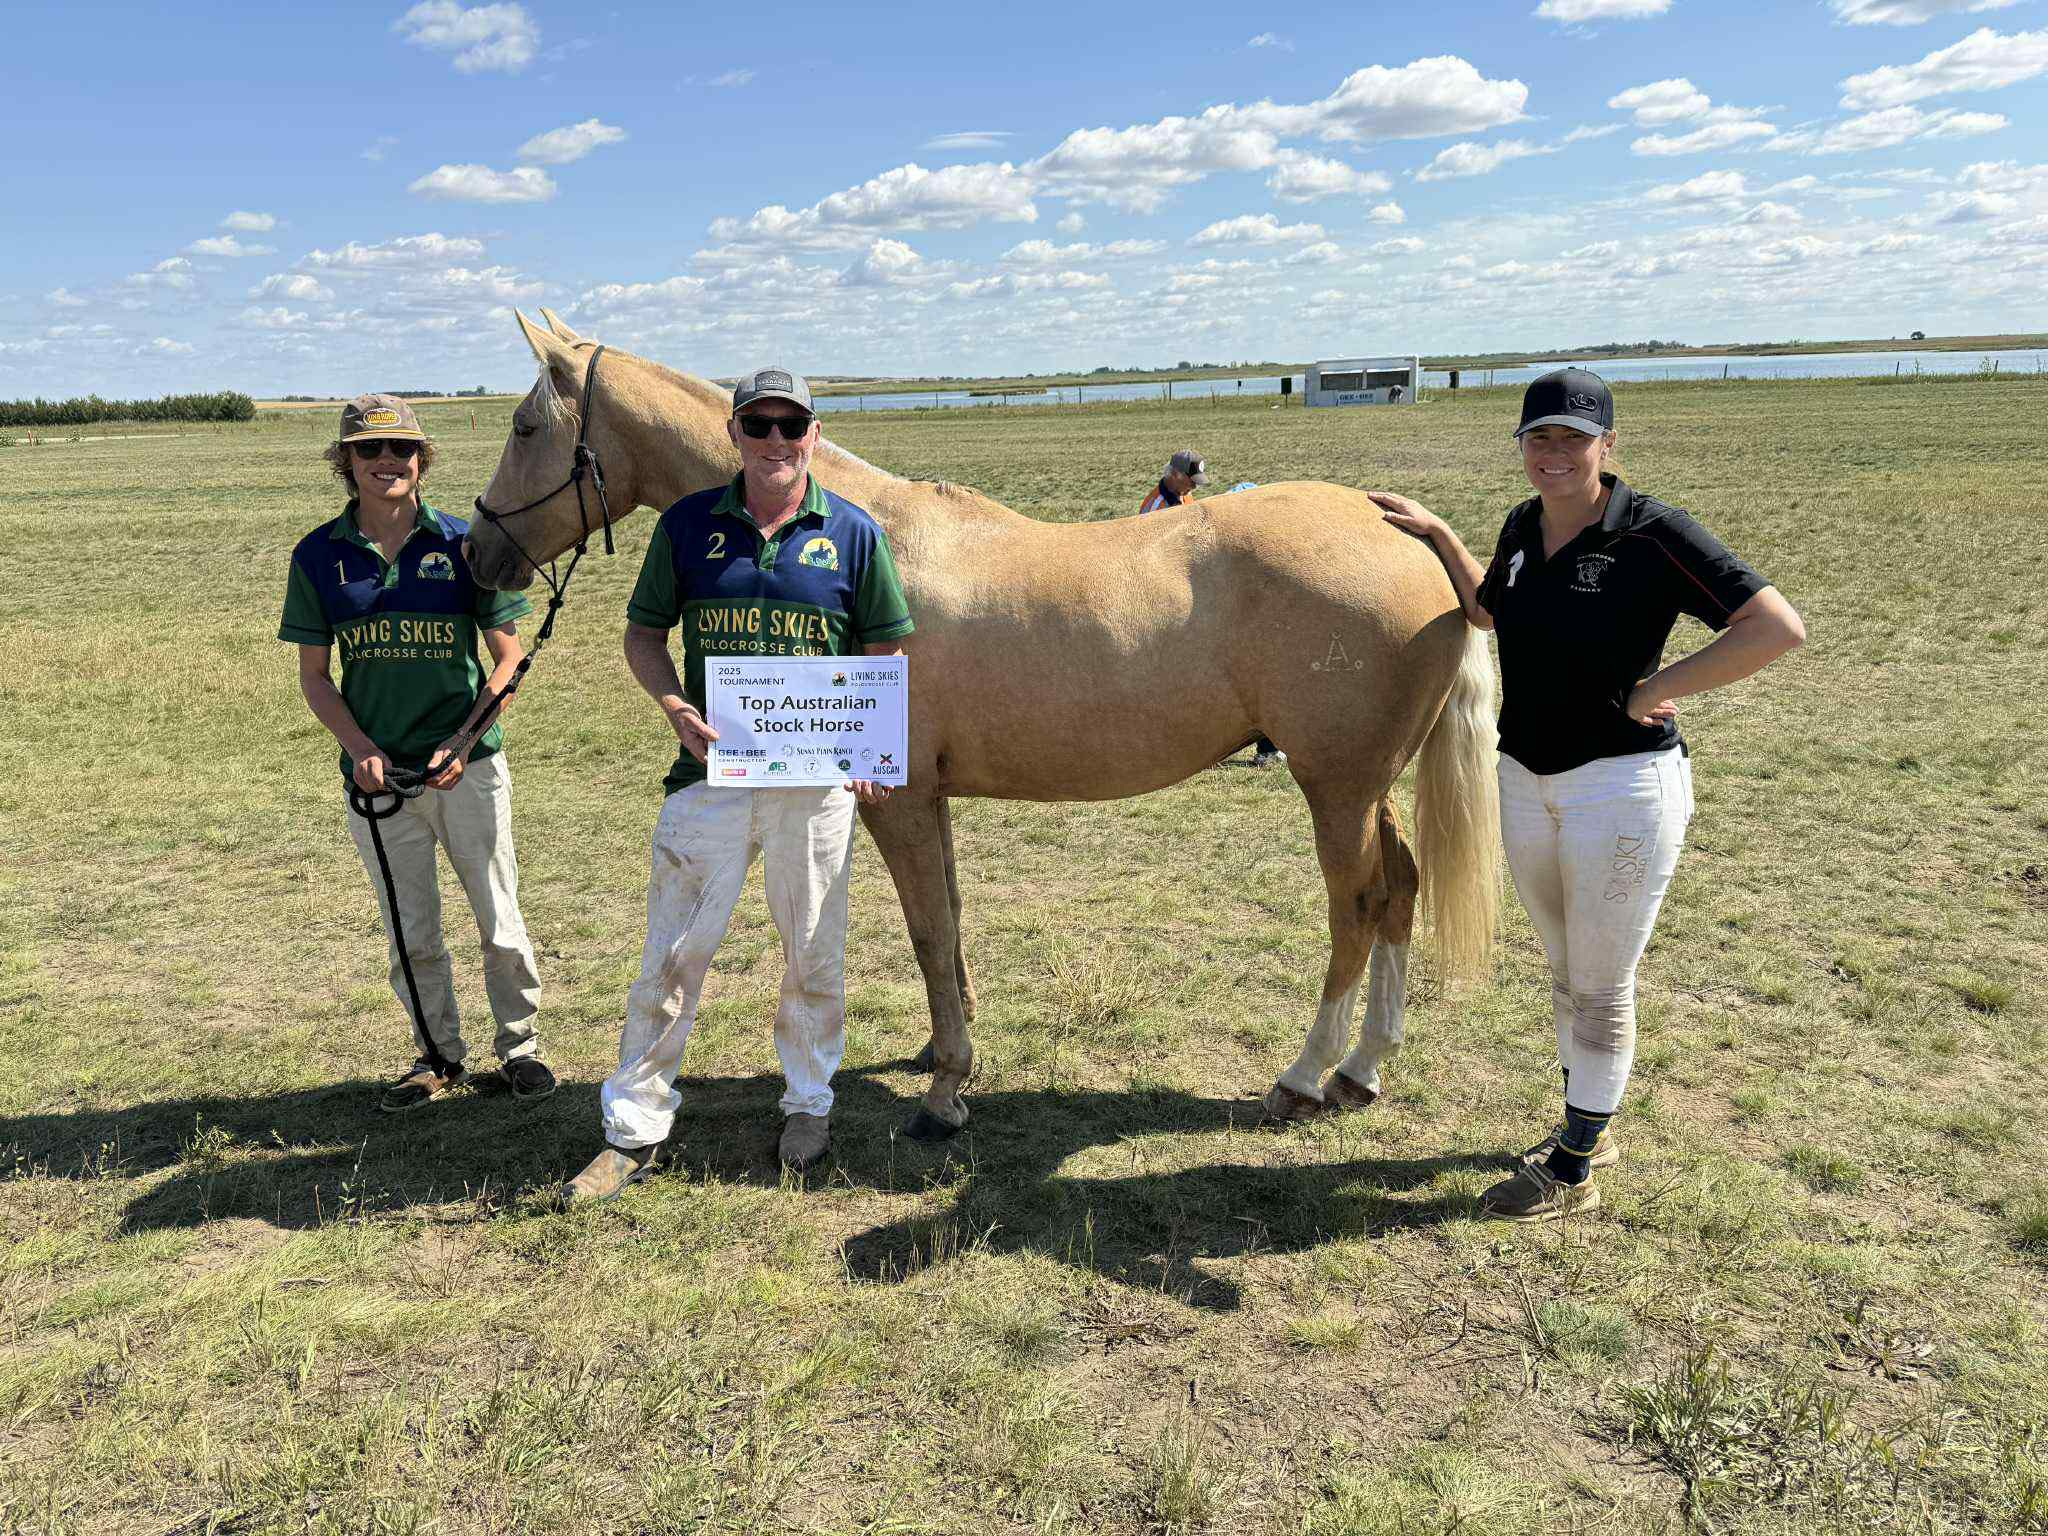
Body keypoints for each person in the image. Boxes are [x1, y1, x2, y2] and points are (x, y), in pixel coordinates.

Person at [1371, 367, 1804, 1222]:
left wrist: (1655, 688)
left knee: (1603, 984)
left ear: (1608, 443)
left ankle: (1572, 1170)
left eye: (1574, 437)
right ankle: (1588, 1127)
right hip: (1525, 779)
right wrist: (1439, 533)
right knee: (1568, 971)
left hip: (1621, 786)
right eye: (1540, 436)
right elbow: (1490, 613)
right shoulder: (1523, 524)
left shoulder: (1654, 533)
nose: (1555, 452)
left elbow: (1774, 626)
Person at [563, 367, 915, 1203]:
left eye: (791, 425)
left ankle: (809, 1103)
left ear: (815, 435)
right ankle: (634, 1126)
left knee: (813, 952)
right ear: (734, 435)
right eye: (758, 425)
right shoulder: (687, 526)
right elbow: (644, 636)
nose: (775, 441)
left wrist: (873, 747)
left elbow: (884, 648)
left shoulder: (853, 533)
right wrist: (673, 703)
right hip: (708, 776)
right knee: (672, 956)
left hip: (814, 785)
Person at [279, 395, 554, 1113]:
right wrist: (360, 749)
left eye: (401, 448)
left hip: (469, 770)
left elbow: (509, 660)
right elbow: (315, 677)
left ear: (422, 459)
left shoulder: (465, 544)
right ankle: (436, 1056)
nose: (386, 461)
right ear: (345, 462)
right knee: (412, 930)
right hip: (380, 783)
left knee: (499, 918)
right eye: (368, 450)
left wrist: (462, 741)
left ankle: (520, 1048)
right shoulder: (318, 555)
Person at [1138, 448, 1206, 515]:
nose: (1194, 486)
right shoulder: (1154, 510)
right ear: (1175, 474)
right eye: (1192, 480)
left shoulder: (1184, 492)